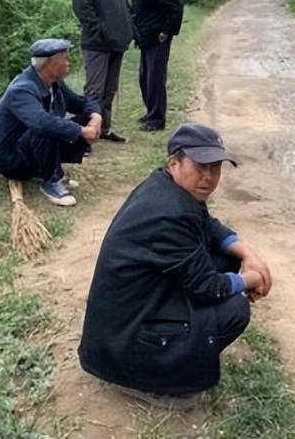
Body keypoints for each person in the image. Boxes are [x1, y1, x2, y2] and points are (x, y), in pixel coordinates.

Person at [78, 123, 271, 408]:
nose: (209, 177)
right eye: (200, 166)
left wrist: (246, 251)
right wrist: (251, 280)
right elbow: (207, 288)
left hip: (131, 309)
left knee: (227, 257)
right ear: (174, 163)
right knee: (234, 309)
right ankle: (149, 381)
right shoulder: (170, 214)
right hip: (122, 341)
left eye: (215, 167)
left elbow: (206, 225)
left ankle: (170, 356)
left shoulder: (167, 186)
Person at [0, 39, 101, 206]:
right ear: (49, 64)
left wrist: (96, 117)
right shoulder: (22, 89)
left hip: (30, 149)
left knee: (83, 119)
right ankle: (51, 182)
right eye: (64, 59)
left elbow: (80, 103)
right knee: (47, 126)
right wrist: (82, 131)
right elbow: (41, 122)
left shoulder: (54, 84)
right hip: (13, 160)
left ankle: (51, 172)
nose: (69, 62)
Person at [71, 0, 134, 143]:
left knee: (109, 90)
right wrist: (105, 32)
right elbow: (83, 11)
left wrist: (128, 31)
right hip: (97, 45)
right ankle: (86, 136)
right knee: (94, 90)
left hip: (117, 44)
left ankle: (104, 129)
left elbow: (125, 8)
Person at [122, 0, 184, 132]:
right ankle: (151, 113)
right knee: (144, 78)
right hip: (145, 38)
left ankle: (157, 119)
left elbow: (176, 6)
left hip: (158, 39)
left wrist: (167, 31)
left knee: (155, 79)